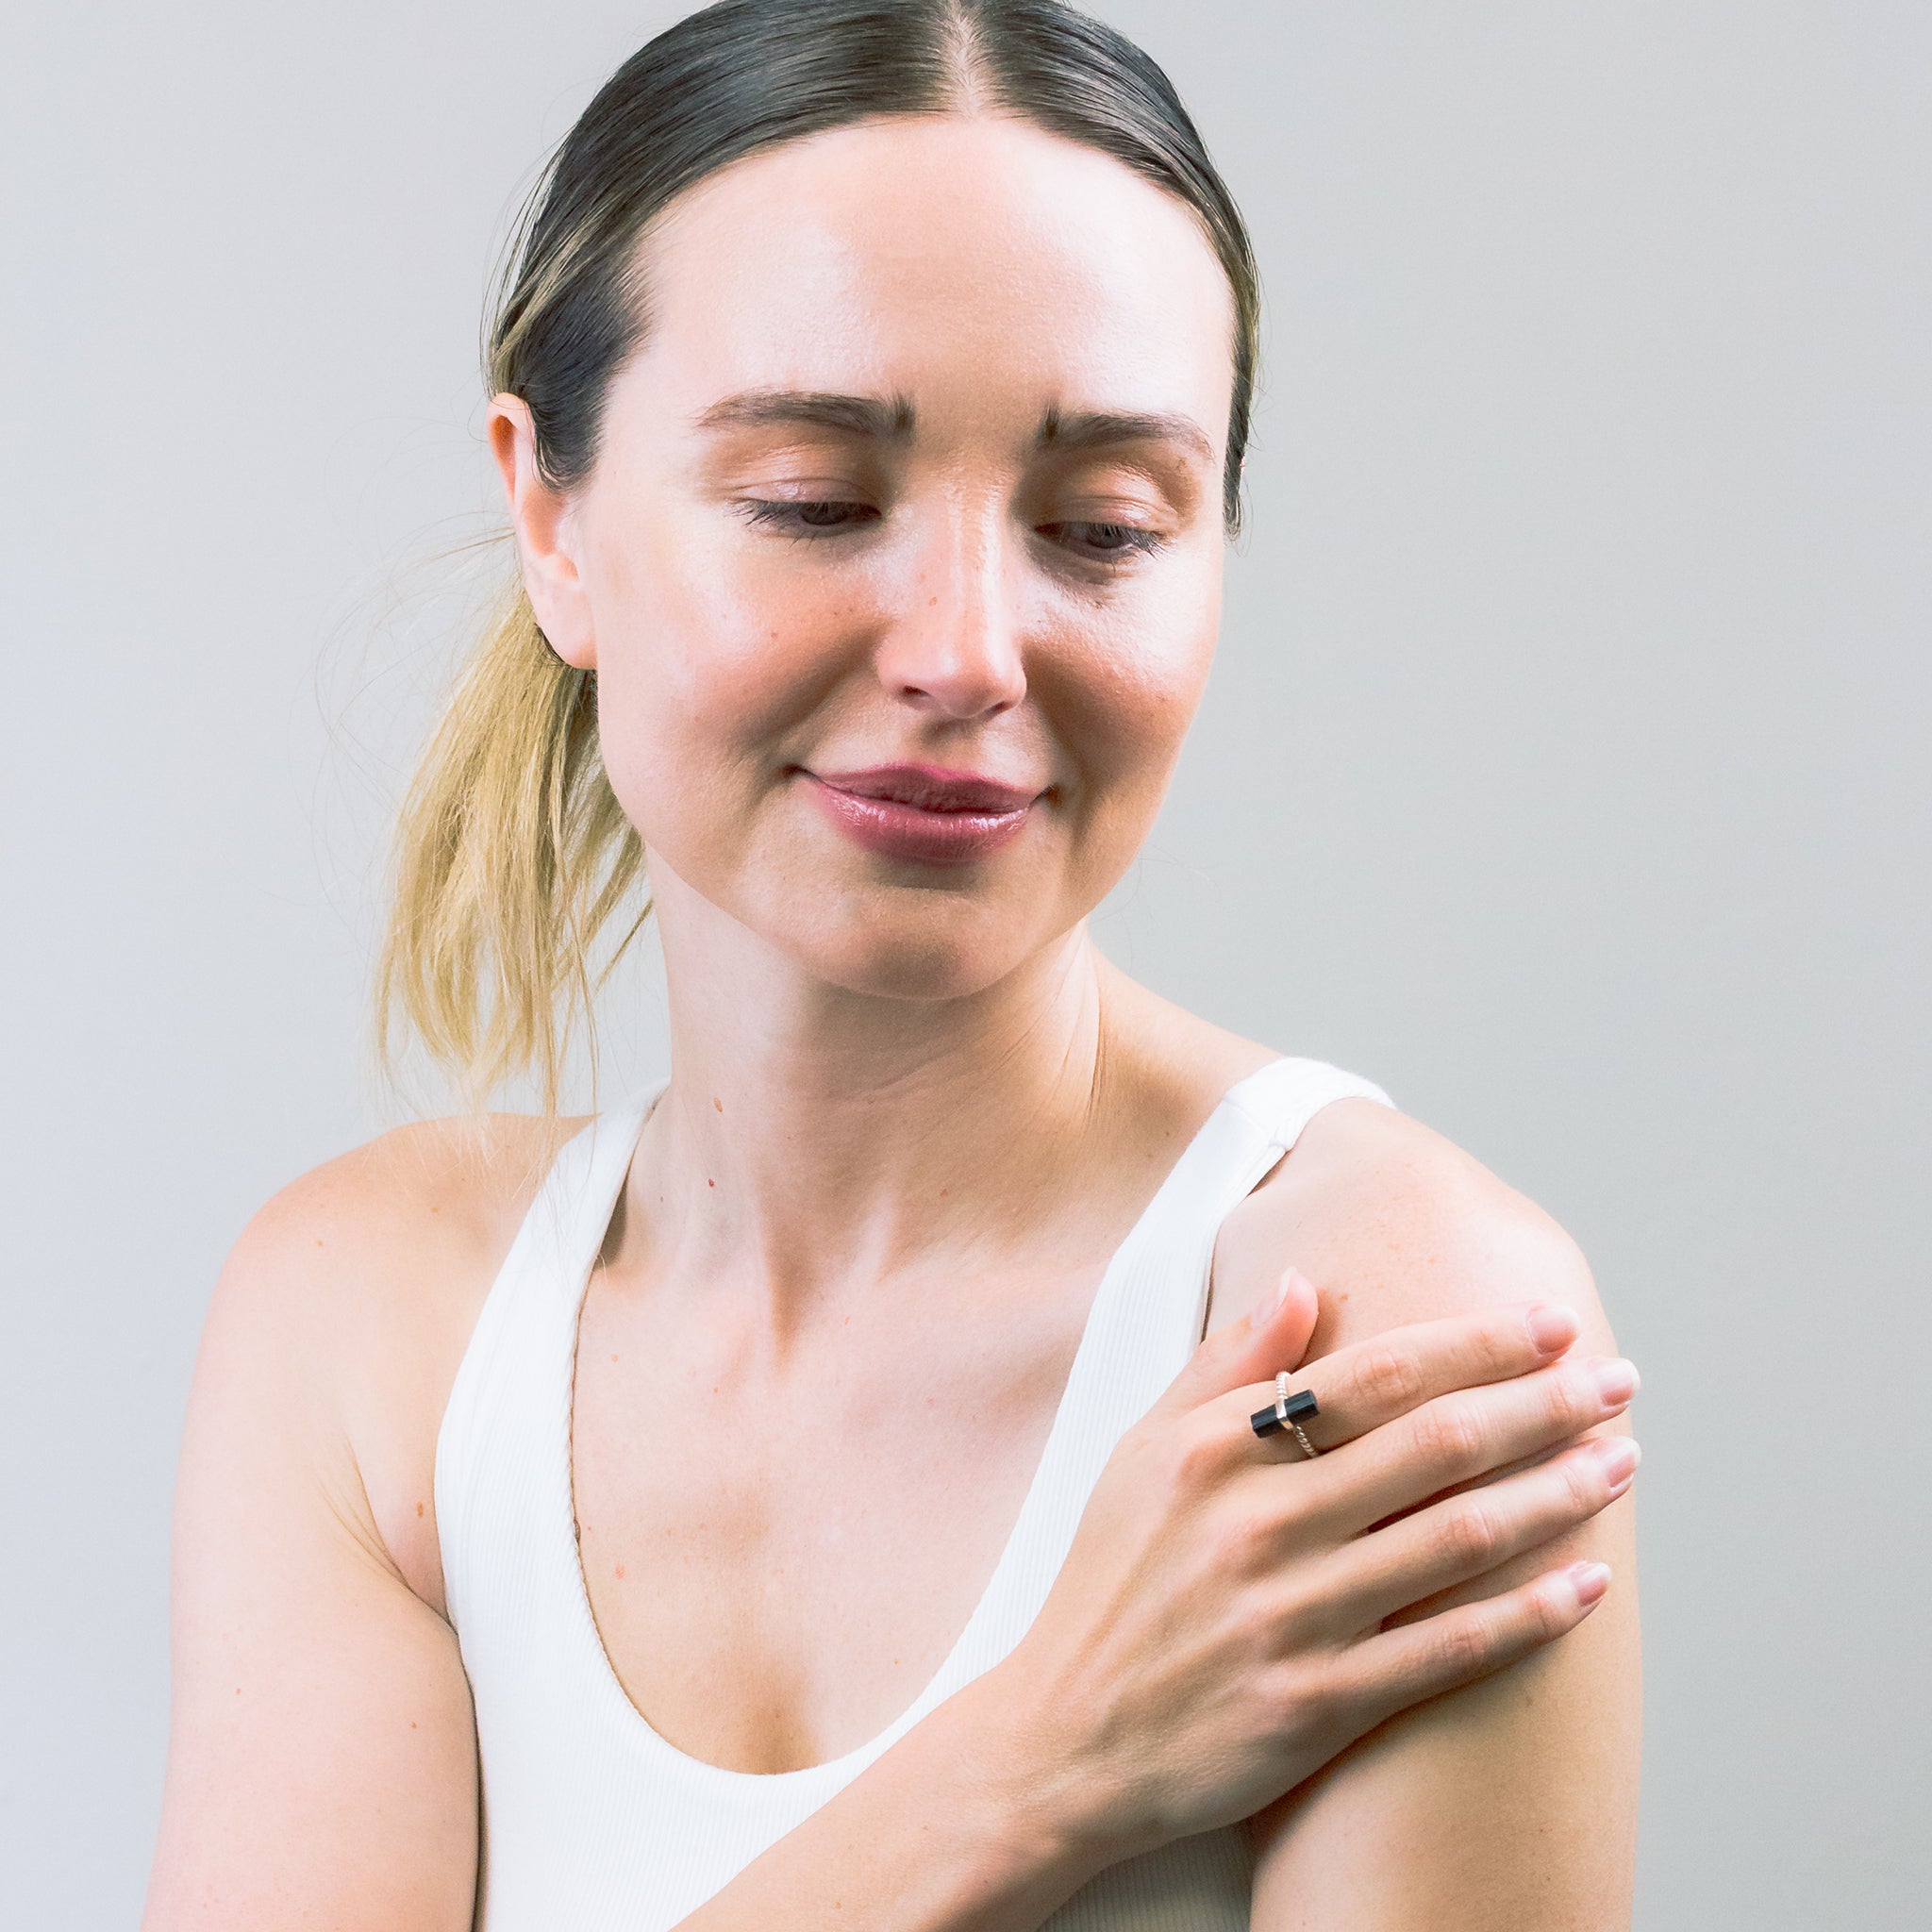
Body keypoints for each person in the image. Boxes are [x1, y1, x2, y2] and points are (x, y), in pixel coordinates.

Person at [143, 3, 1641, 1926]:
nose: (968, 652)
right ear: (551, 514)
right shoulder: (368, 1326)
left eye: (1100, 527)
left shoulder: (1375, 1324)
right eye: (812, 503)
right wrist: (1028, 1765)